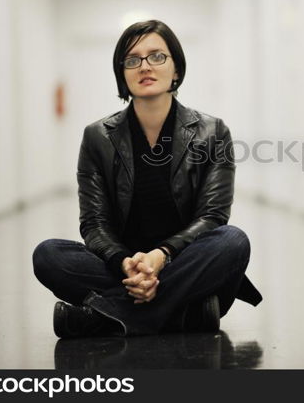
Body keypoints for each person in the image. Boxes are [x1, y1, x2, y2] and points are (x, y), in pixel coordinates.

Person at [32, 19, 262, 338]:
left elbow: (213, 217)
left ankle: (111, 317)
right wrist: (125, 263)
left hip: (184, 262)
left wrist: (161, 256)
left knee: (232, 241)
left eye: (157, 56)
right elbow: (94, 224)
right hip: (123, 269)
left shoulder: (213, 132)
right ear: (122, 75)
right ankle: (181, 315)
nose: (145, 66)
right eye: (132, 60)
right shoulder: (98, 137)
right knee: (48, 254)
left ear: (176, 69)